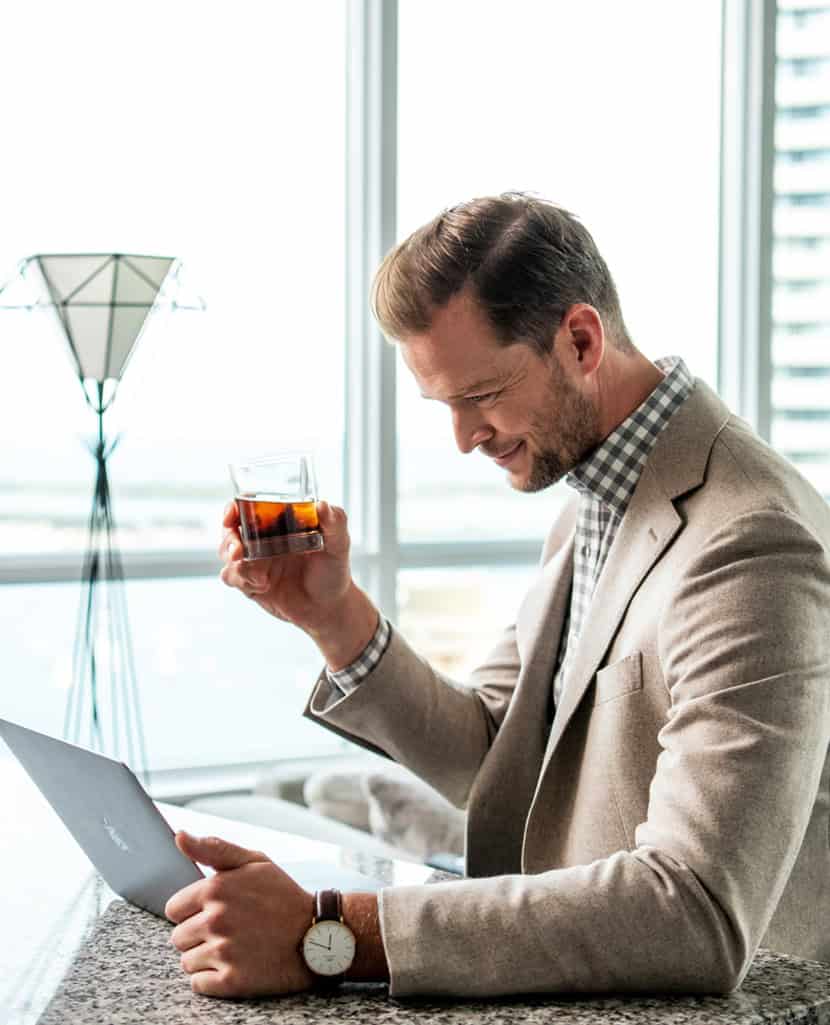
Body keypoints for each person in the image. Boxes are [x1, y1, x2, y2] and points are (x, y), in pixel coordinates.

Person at [165, 193, 830, 1000]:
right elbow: (493, 759)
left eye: (480, 394)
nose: (463, 436)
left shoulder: (749, 540)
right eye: (445, 404)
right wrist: (330, 615)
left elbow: (693, 907)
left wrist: (326, 930)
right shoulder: (594, 505)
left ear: (580, 340)